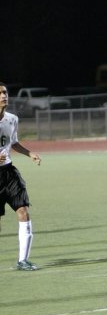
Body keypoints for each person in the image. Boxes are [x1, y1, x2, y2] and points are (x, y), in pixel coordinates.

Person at [0, 83, 42, 270]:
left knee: (23, 211)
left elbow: (13, 143)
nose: (3, 96)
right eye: (0, 93)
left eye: (5, 92)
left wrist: (29, 153)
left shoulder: (12, 119)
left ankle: (22, 260)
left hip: (8, 173)